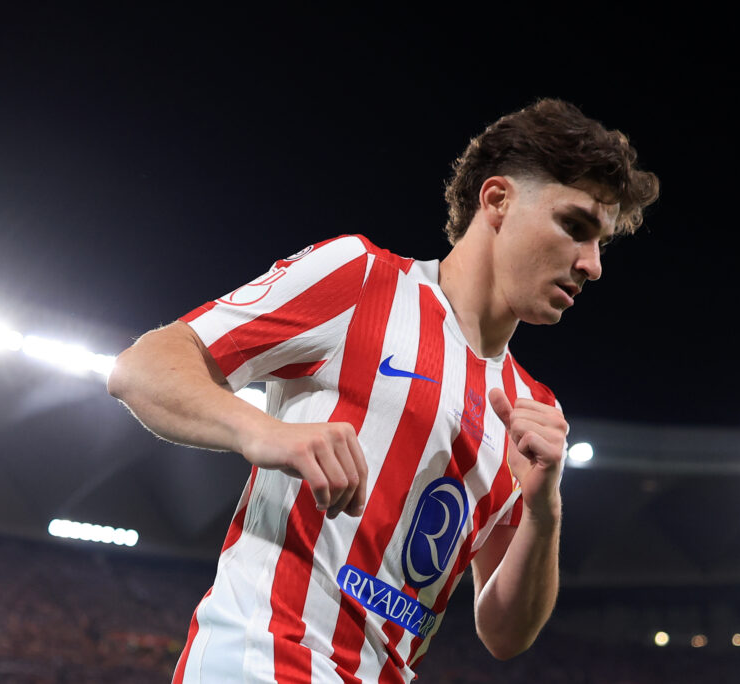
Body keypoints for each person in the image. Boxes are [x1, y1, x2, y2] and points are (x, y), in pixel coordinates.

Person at [107, 98, 659, 683]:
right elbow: (142, 367)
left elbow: (504, 632)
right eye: (575, 227)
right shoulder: (362, 280)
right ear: (497, 200)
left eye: (601, 244)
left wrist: (544, 513)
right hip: (262, 656)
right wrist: (265, 432)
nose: (592, 265)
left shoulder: (532, 409)